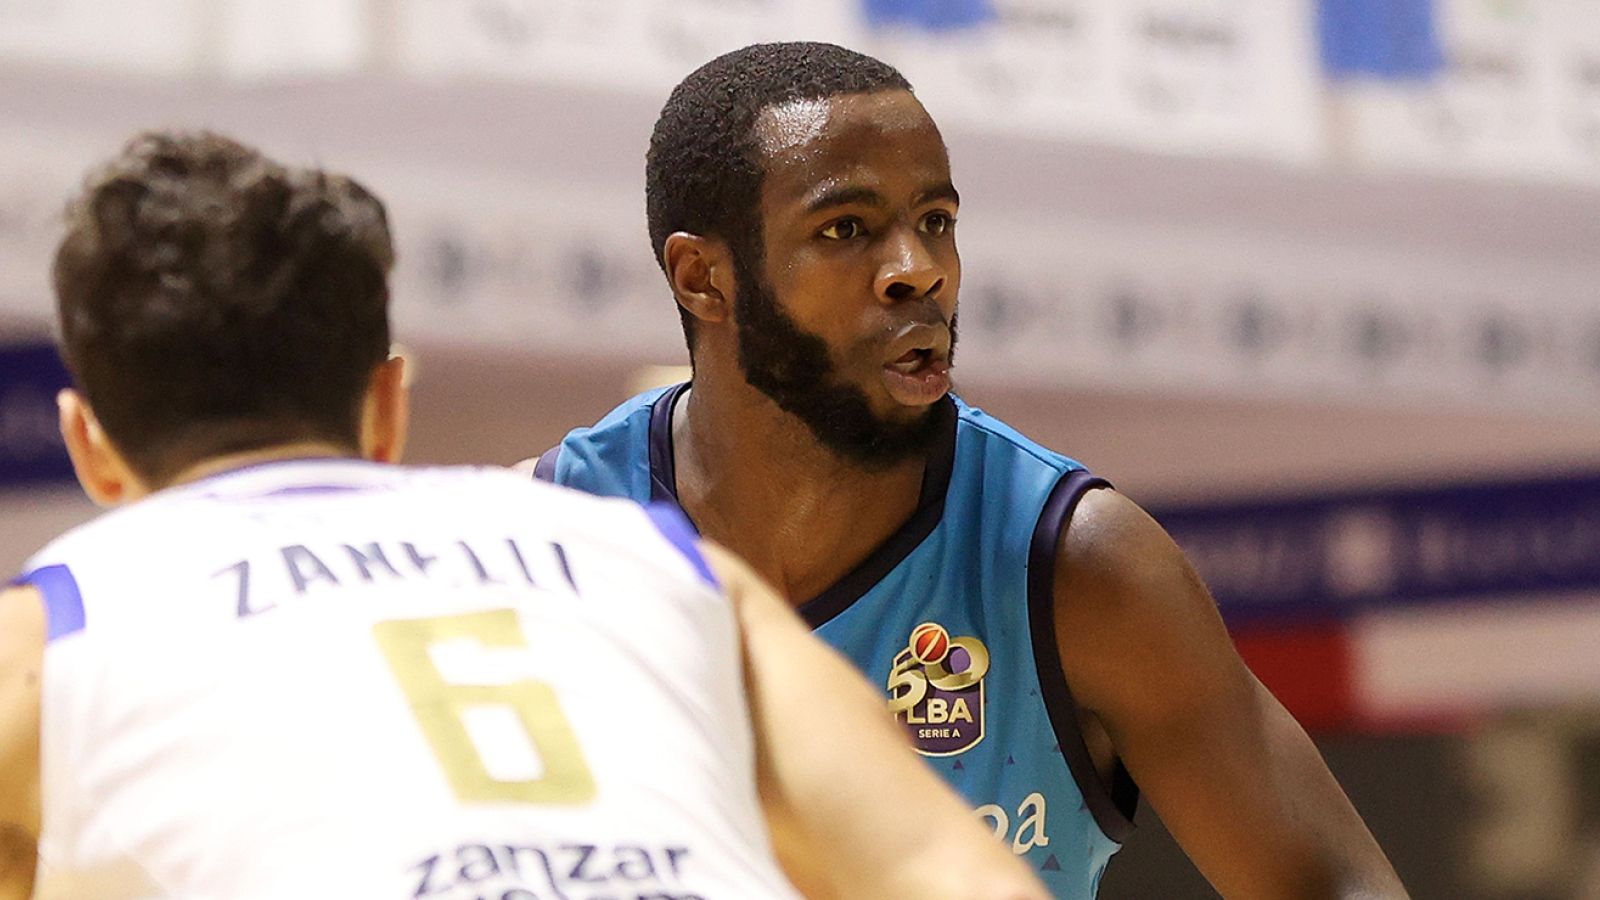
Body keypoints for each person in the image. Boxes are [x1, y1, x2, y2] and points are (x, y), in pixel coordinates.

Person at [0, 131, 1049, 900]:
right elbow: (959, 877)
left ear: (89, 447)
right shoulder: (671, 568)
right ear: (388, 406)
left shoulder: (56, 626)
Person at [526, 42, 1409, 899]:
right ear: (703, 278)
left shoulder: (1077, 567)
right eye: (847, 229)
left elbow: (1334, 885)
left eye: (936, 222)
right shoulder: (541, 546)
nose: (918, 271)